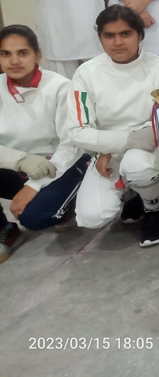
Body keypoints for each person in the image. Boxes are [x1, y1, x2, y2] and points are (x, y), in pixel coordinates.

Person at [71, 6, 159, 247]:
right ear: (100, 38)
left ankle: (153, 208)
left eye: (126, 34)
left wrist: (125, 142)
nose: (117, 42)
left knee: (137, 164)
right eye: (109, 35)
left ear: (140, 35)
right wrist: (113, 146)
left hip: (151, 148)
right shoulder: (85, 73)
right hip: (108, 154)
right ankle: (133, 193)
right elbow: (78, 131)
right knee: (92, 216)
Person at [0, 26, 89, 263]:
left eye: (22, 53)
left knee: (36, 218)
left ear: (37, 55)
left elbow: (71, 144)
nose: (14, 61)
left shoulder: (59, 87)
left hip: (60, 165)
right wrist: (20, 160)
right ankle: (4, 230)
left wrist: (35, 185)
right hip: (18, 166)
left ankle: (75, 196)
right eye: (5, 54)